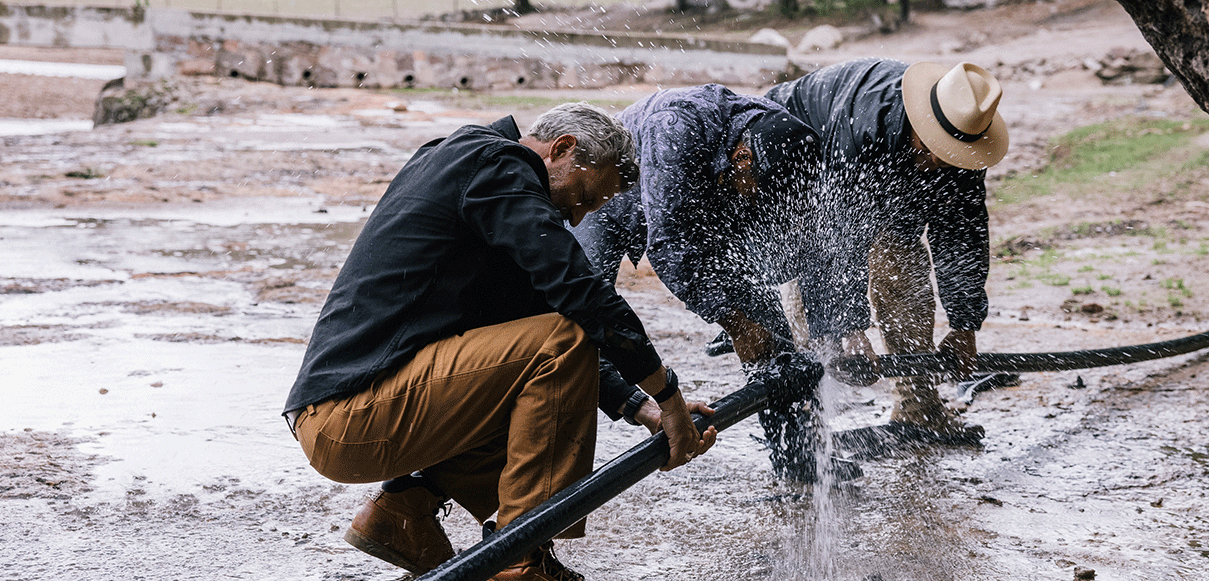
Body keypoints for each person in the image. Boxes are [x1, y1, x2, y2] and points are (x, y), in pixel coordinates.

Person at [282, 102, 718, 581]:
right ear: (564, 150)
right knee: (565, 337)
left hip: (351, 413)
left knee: (547, 372)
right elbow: (580, 298)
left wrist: (641, 407)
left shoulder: (474, 173)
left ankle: (405, 513)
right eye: (582, 198)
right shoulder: (493, 162)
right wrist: (669, 397)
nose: (575, 220)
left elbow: (546, 325)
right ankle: (517, 560)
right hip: (352, 414)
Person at [570, 84, 831, 482]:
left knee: (773, 335)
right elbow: (669, 245)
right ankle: (567, 468)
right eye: (760, 190)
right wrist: (734, 318)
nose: (761, 200)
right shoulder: (673, 126)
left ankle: (799, 460)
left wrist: (838, 327)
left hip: (699, 198)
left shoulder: (778, 135)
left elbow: (805, 244)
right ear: (743, 158)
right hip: (607, 202)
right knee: (579, 320)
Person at [764, 59, 1009, 436]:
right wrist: (850, 328)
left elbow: (962, 233)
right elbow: (834, 237)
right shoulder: (863, 129)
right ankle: (802, 423)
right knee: (812, 306)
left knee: (904, 271)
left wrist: (964, 324)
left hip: (882, 177)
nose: (939, 164)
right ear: (921, 123)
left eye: (951, 157)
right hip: (802, 154)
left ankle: (918, 406)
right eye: (933, 151)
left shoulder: (965, 143)